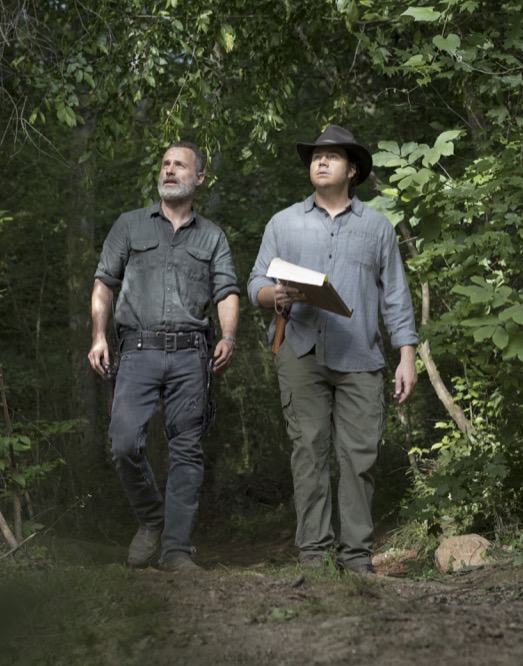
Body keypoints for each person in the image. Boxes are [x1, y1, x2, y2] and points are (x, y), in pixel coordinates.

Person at [247, 125, 419, 576]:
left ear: (353, 169)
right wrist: (276, 296)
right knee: (308, 451)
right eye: (314, 156)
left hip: (361, 354)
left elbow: (396, 297)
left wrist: (407, 355)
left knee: (359, 456)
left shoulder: (378, 227)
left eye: (331, 156)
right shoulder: (283, 223)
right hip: (300, 350)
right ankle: (316, 557)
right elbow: (255, 285)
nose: (319, 162)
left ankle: (357, 558)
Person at [88, 140, 240, 573]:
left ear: (199, 178)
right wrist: (99, 335)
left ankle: (175, 549)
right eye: (166, 164)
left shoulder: (211, 236)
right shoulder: (129, 225)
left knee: (187, 451)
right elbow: (104, 284)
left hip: (192, 357)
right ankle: (152, 518)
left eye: (180, 165)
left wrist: (228, 336)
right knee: (123, 442)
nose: (170, 171)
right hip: (136, 351)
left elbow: (227, 290)